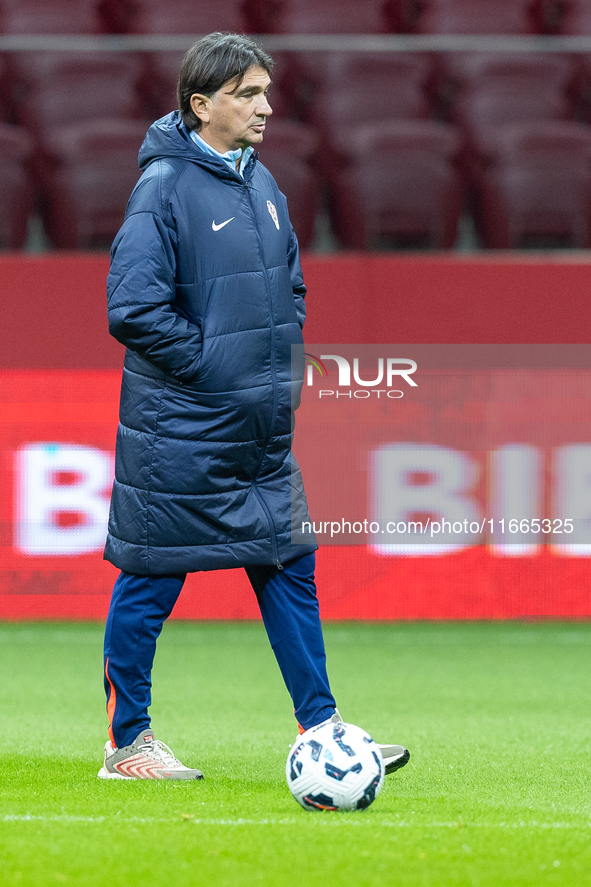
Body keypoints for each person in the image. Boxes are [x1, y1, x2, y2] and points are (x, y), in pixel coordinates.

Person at [98, 32, 410, 781]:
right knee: (150, 577)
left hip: (257, 431)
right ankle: (127, 743)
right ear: (202, 105)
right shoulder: (163, 188)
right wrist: (217, 368)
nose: (265, 106)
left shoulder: (259, 183)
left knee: (290, 567)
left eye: (265, 91)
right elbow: (131, 308)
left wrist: (277, 370)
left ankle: (323, 728)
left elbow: (290, 289)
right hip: (182, 429)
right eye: (247, 94)